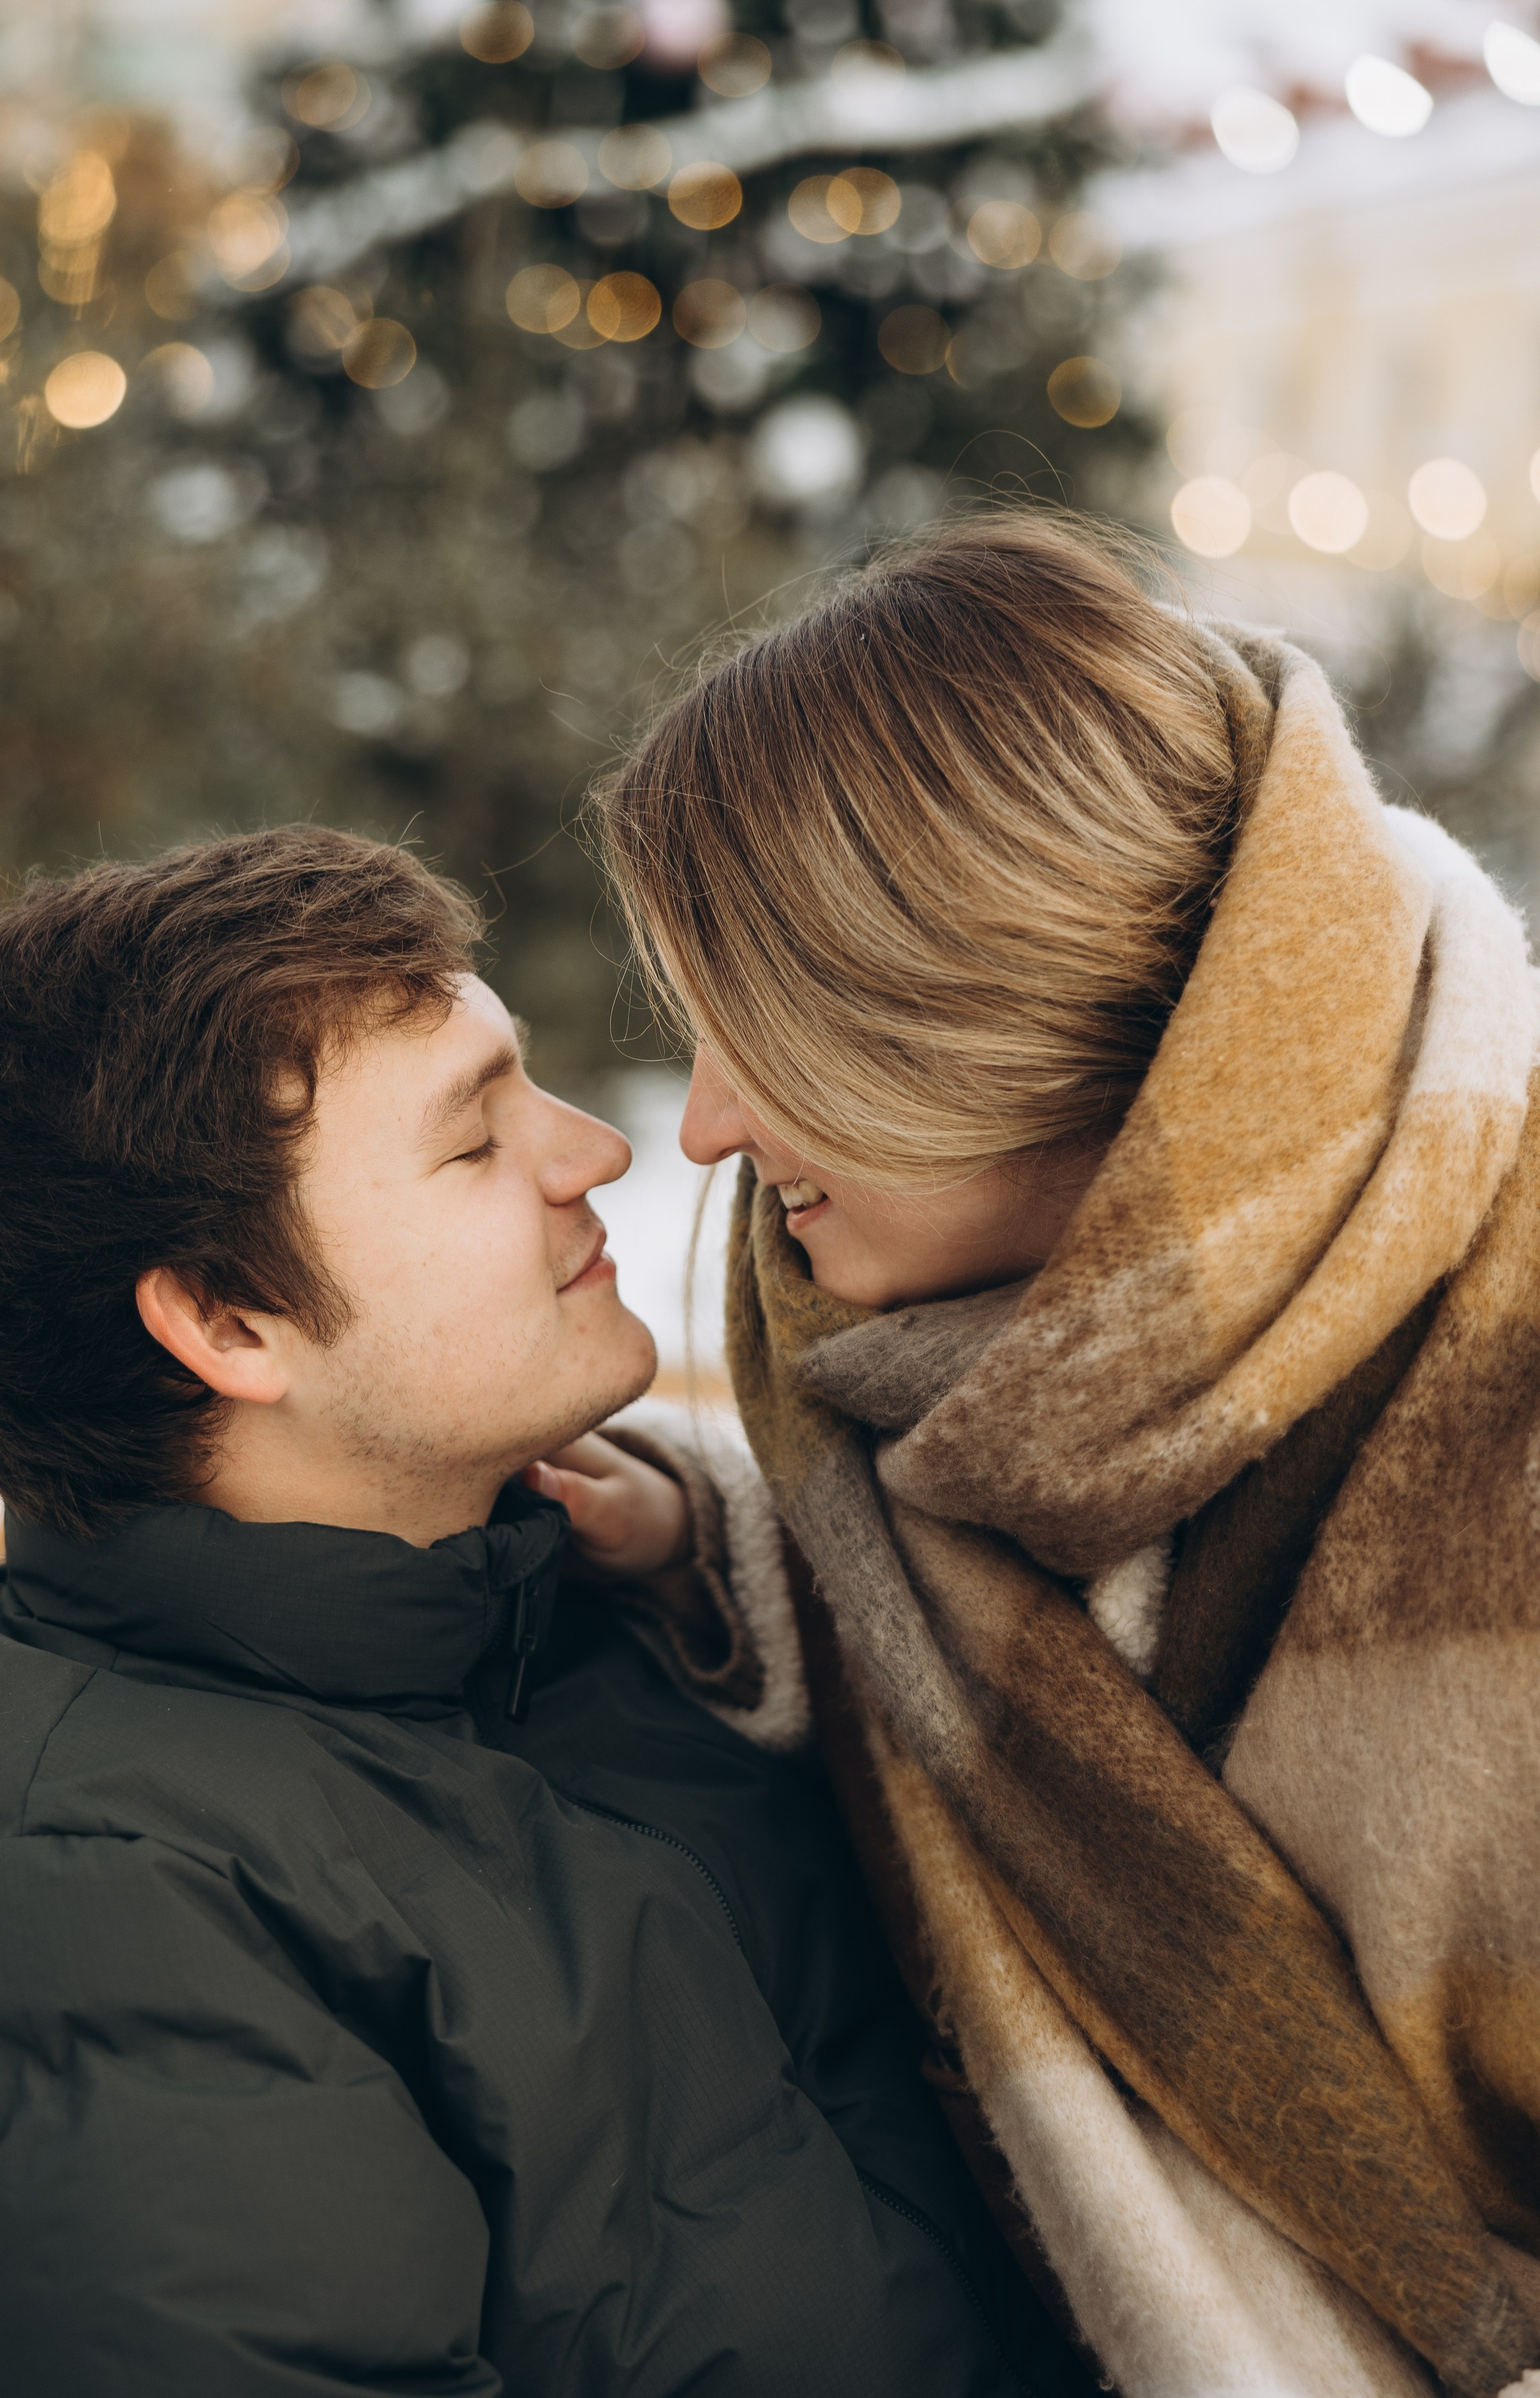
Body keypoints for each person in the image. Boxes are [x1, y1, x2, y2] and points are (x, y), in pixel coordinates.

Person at [0, 828, 1090, 2398]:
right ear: (230, 1322)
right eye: (470, 1140)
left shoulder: (571, 1617)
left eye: (533, 1083)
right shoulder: (88, 1941)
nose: (596, 1152)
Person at [595, 514, 1540, 2398]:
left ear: (964, 1000)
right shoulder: (898, 1407)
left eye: (753, 1036)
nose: (700, 1130)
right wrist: (706, 1559)